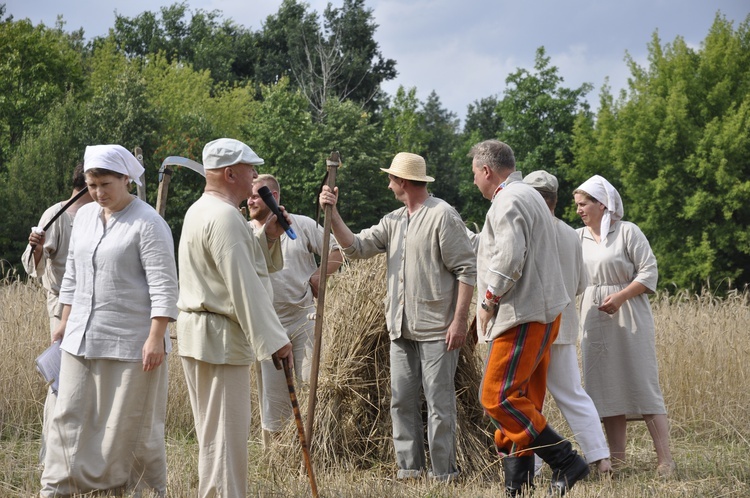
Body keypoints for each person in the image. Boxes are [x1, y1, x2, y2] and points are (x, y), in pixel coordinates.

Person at [319, 152, 476, 481]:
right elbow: (357, 248)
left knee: (439, 405)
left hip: (437, 329)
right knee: (401, 401)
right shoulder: (393, 220)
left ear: (403, 181)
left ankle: (444, 473)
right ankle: (410, 469)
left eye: (391, 178)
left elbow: (466, 270)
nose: (389, 183)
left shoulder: (443, 216)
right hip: (400, 327)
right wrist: (332, 216)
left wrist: (459, 321)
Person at [40, 144, 178, 497]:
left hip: (132, 344)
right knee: (67, 415)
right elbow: (71, 274)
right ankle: (58, 486)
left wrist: (155, 337)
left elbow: (164, 286)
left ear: (126, 179)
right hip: (80, 338)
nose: (98, 192)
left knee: (131, 424)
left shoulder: (148, 223)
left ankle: (139, 490)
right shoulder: (84, 218)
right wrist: (64, 320)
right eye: (91, 184)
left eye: (105, 184)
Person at [470, 139, 588, 497]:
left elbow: (508, 257)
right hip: (542, 313)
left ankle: (567, 460)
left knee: (497, 398)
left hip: (521, 314)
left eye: (474, 172)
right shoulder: (530, 195)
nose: (474, 180)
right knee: (523, 400)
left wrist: (489, 301)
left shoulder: (507, 201)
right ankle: (517, 486)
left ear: (487, 171)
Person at [177, 138, 293, 497]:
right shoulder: (225, 216)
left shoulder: (202, 209)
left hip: (201, 336)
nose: (256, 176)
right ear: (230, 173)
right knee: (226, 441)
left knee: (213, 438)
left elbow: (228, 267)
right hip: (220, 341)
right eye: (250, 169)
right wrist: (276, 341)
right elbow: (244, 288)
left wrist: (266, 238)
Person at [574, 174, 676, 477]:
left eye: (584, 204)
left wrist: (619, 297)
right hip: (593, 317)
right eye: (577, 204)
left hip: (629, 313)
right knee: (605, 387)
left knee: (642, 382)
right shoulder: (577, 238)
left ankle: (665, 460)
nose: (579, 209)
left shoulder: (627, 232)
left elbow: (648, 272)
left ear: (602, 204)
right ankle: (617, 461)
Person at [522, 170, 612, 476]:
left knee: (526, 397)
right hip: (563, 323)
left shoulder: (527, 230)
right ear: (556, 199)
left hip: (531, 325)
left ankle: (529, 467)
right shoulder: (570, 235)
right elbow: (579, 284)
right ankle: (601, 459)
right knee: (572, 393)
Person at [247, 173, 344, 441]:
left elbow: (336, 251)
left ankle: (312, 447)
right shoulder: (245, 232)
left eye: (256, 195)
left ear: (273, 197)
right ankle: (277, 456)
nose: (250, 200)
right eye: (249, 195)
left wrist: (318, 276)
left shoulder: (299, 225)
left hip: (303, 319)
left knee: (309, 384)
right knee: (273, 395)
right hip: (267, 324)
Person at [22, 162, 93, 465]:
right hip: (62, 309)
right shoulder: (57, 214)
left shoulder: (100, 215)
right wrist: (36, 247)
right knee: (61, 383)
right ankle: (51, 456)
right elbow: (34, 265)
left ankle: (82, 455)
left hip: (95, 309)